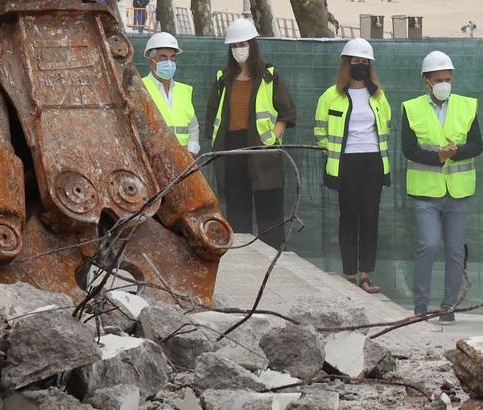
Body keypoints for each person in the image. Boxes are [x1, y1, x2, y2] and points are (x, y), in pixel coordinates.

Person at [402, 49, 482, 320]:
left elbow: (477, 145)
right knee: (429, 245)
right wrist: (438, 157)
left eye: (447, 78)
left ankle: (449, 308)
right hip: (425, 191)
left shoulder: (467, 106)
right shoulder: (411, 108)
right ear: (427, 81)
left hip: (458, 191)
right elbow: (409, 149)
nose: (444, 84)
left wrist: (455, 152)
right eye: (438, 80)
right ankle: (421, 307)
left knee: (456, 250)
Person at [203, 17, 297, 244]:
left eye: (242, 44)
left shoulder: (269, 75)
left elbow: (287, 112)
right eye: (234, 45)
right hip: (231, 150)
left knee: (270, 209)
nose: (238, 49)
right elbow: (212, 117)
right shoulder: (223, 79)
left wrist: (272, 136)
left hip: (263, 151)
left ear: (253, 45)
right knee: (237, 209)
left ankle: (273, 258)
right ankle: (241, 256)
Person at [312, 38, 391, 292]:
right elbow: (319, 130)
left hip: (373, 163)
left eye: (365, 62)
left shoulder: (378, 96)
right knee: (348, 219)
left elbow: (385, 126)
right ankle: (349, 275)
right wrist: (332, 151)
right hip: (346, 163)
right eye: (356, 61)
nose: (361, 65)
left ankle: (366, 275)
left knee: (370, 219)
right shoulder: (330, 96)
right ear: (347, 64)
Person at [141, 30, 196, 152]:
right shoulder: (140, 88)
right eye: (163, 58)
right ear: (151, 62)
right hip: (154, 159)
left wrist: (192, 152)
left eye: (172, 58)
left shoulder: (184, 91)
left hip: (183, 159)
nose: (169, 63)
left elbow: (193, 127)